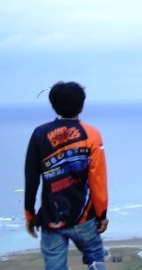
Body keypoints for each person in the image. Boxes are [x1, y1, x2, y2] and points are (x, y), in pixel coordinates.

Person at [24, 81, 109, 270]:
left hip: (51, 218)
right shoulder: (92, 135)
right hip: (84, 217)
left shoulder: (39, 134)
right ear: (82, 104)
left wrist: (29, 214)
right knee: (95, 258)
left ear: (53, 104)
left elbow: (31, 178)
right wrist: (102, 214)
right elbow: (98, 179)